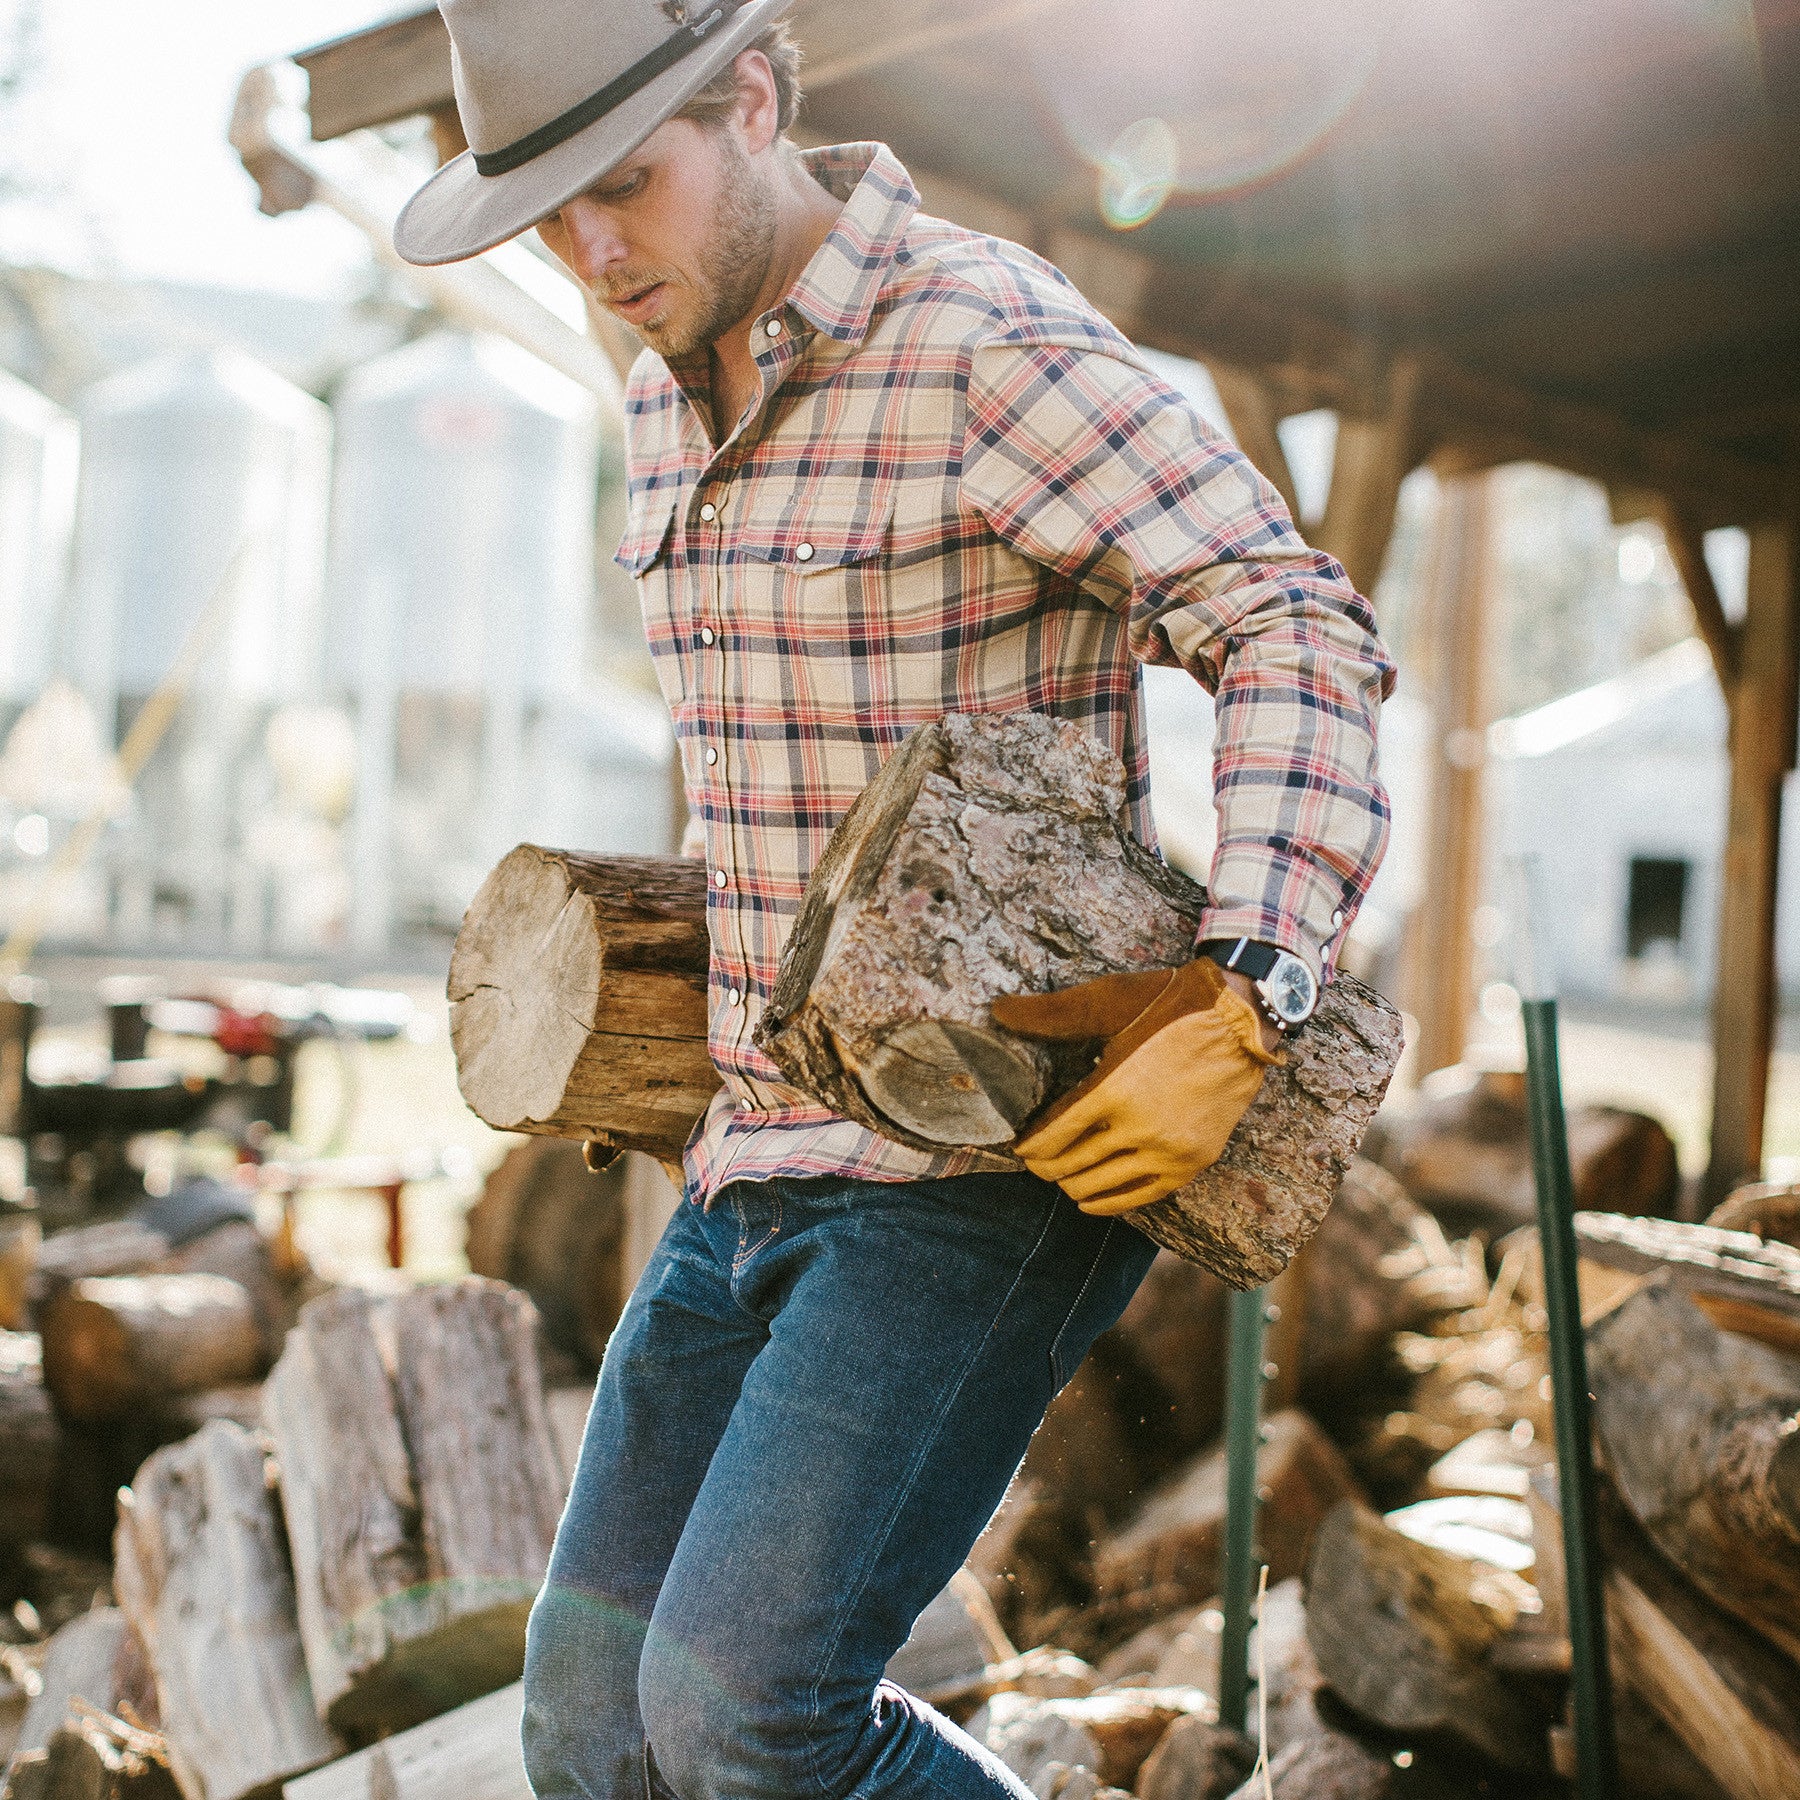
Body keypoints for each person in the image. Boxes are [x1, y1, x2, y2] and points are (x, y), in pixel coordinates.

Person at [396, 3, 1392, 1795]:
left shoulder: (978, 343)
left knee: (742, 1724)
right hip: (746, 1164)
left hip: (979, 1174)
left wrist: (1252, 995)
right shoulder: (651, 387)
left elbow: (1292, 622)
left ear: (757, 101)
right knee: (590, 1737)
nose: (592, 252)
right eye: (548, 217)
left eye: (624, 186)